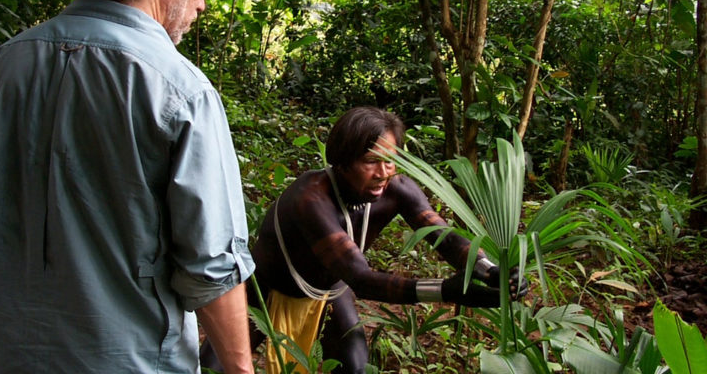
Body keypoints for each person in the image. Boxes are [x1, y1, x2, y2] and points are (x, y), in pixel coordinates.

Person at [0, 0, 255, 374]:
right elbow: (211, 263)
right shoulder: (179, 89)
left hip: (9, 354)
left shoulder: (3, 67)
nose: (202, 3)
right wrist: (241, 369)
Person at [200, 106, 527, 374]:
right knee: (210, 369)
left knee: (354, 366)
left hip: (328, 292)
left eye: (390, 160)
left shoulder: (398, 188)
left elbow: (443, 236)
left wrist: (488, 269)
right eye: (370, 161)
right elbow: (362, 279)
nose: (384, 172)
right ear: (342, 161)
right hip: (264, 291)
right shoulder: (310, 198)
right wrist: (445, 290)